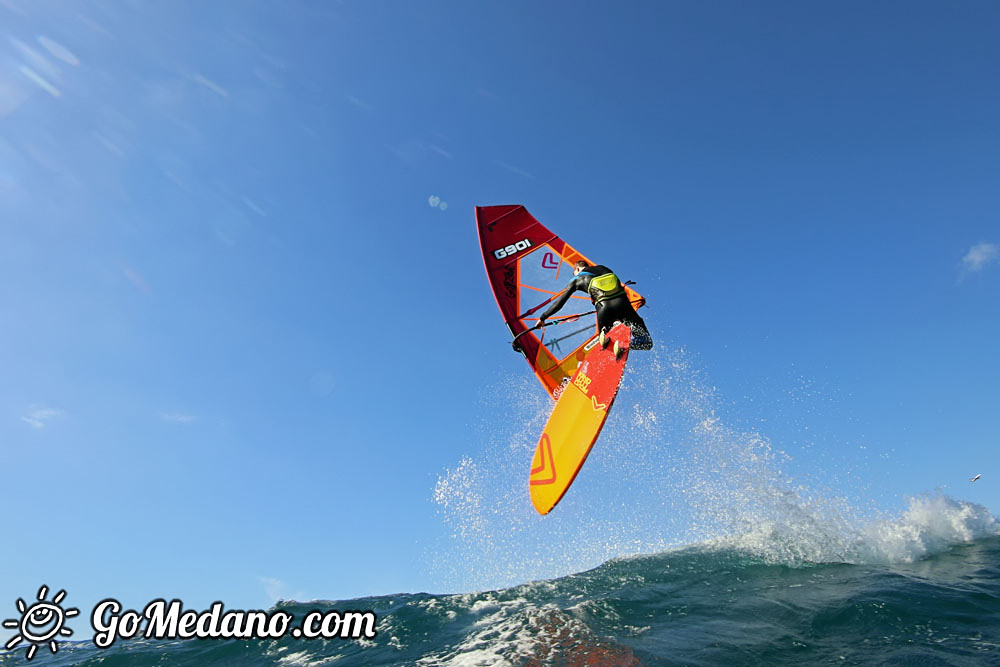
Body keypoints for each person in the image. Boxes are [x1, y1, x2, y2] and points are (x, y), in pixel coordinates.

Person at [538, 260, 653, 350]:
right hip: (623, 305)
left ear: (577, 269)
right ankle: (624, 345)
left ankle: (606, 340)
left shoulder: (576, 279)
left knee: (605, 344)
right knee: (646, 341)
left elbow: (559, 304)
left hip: (604, 310)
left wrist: (543, 317)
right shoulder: (604, 268)